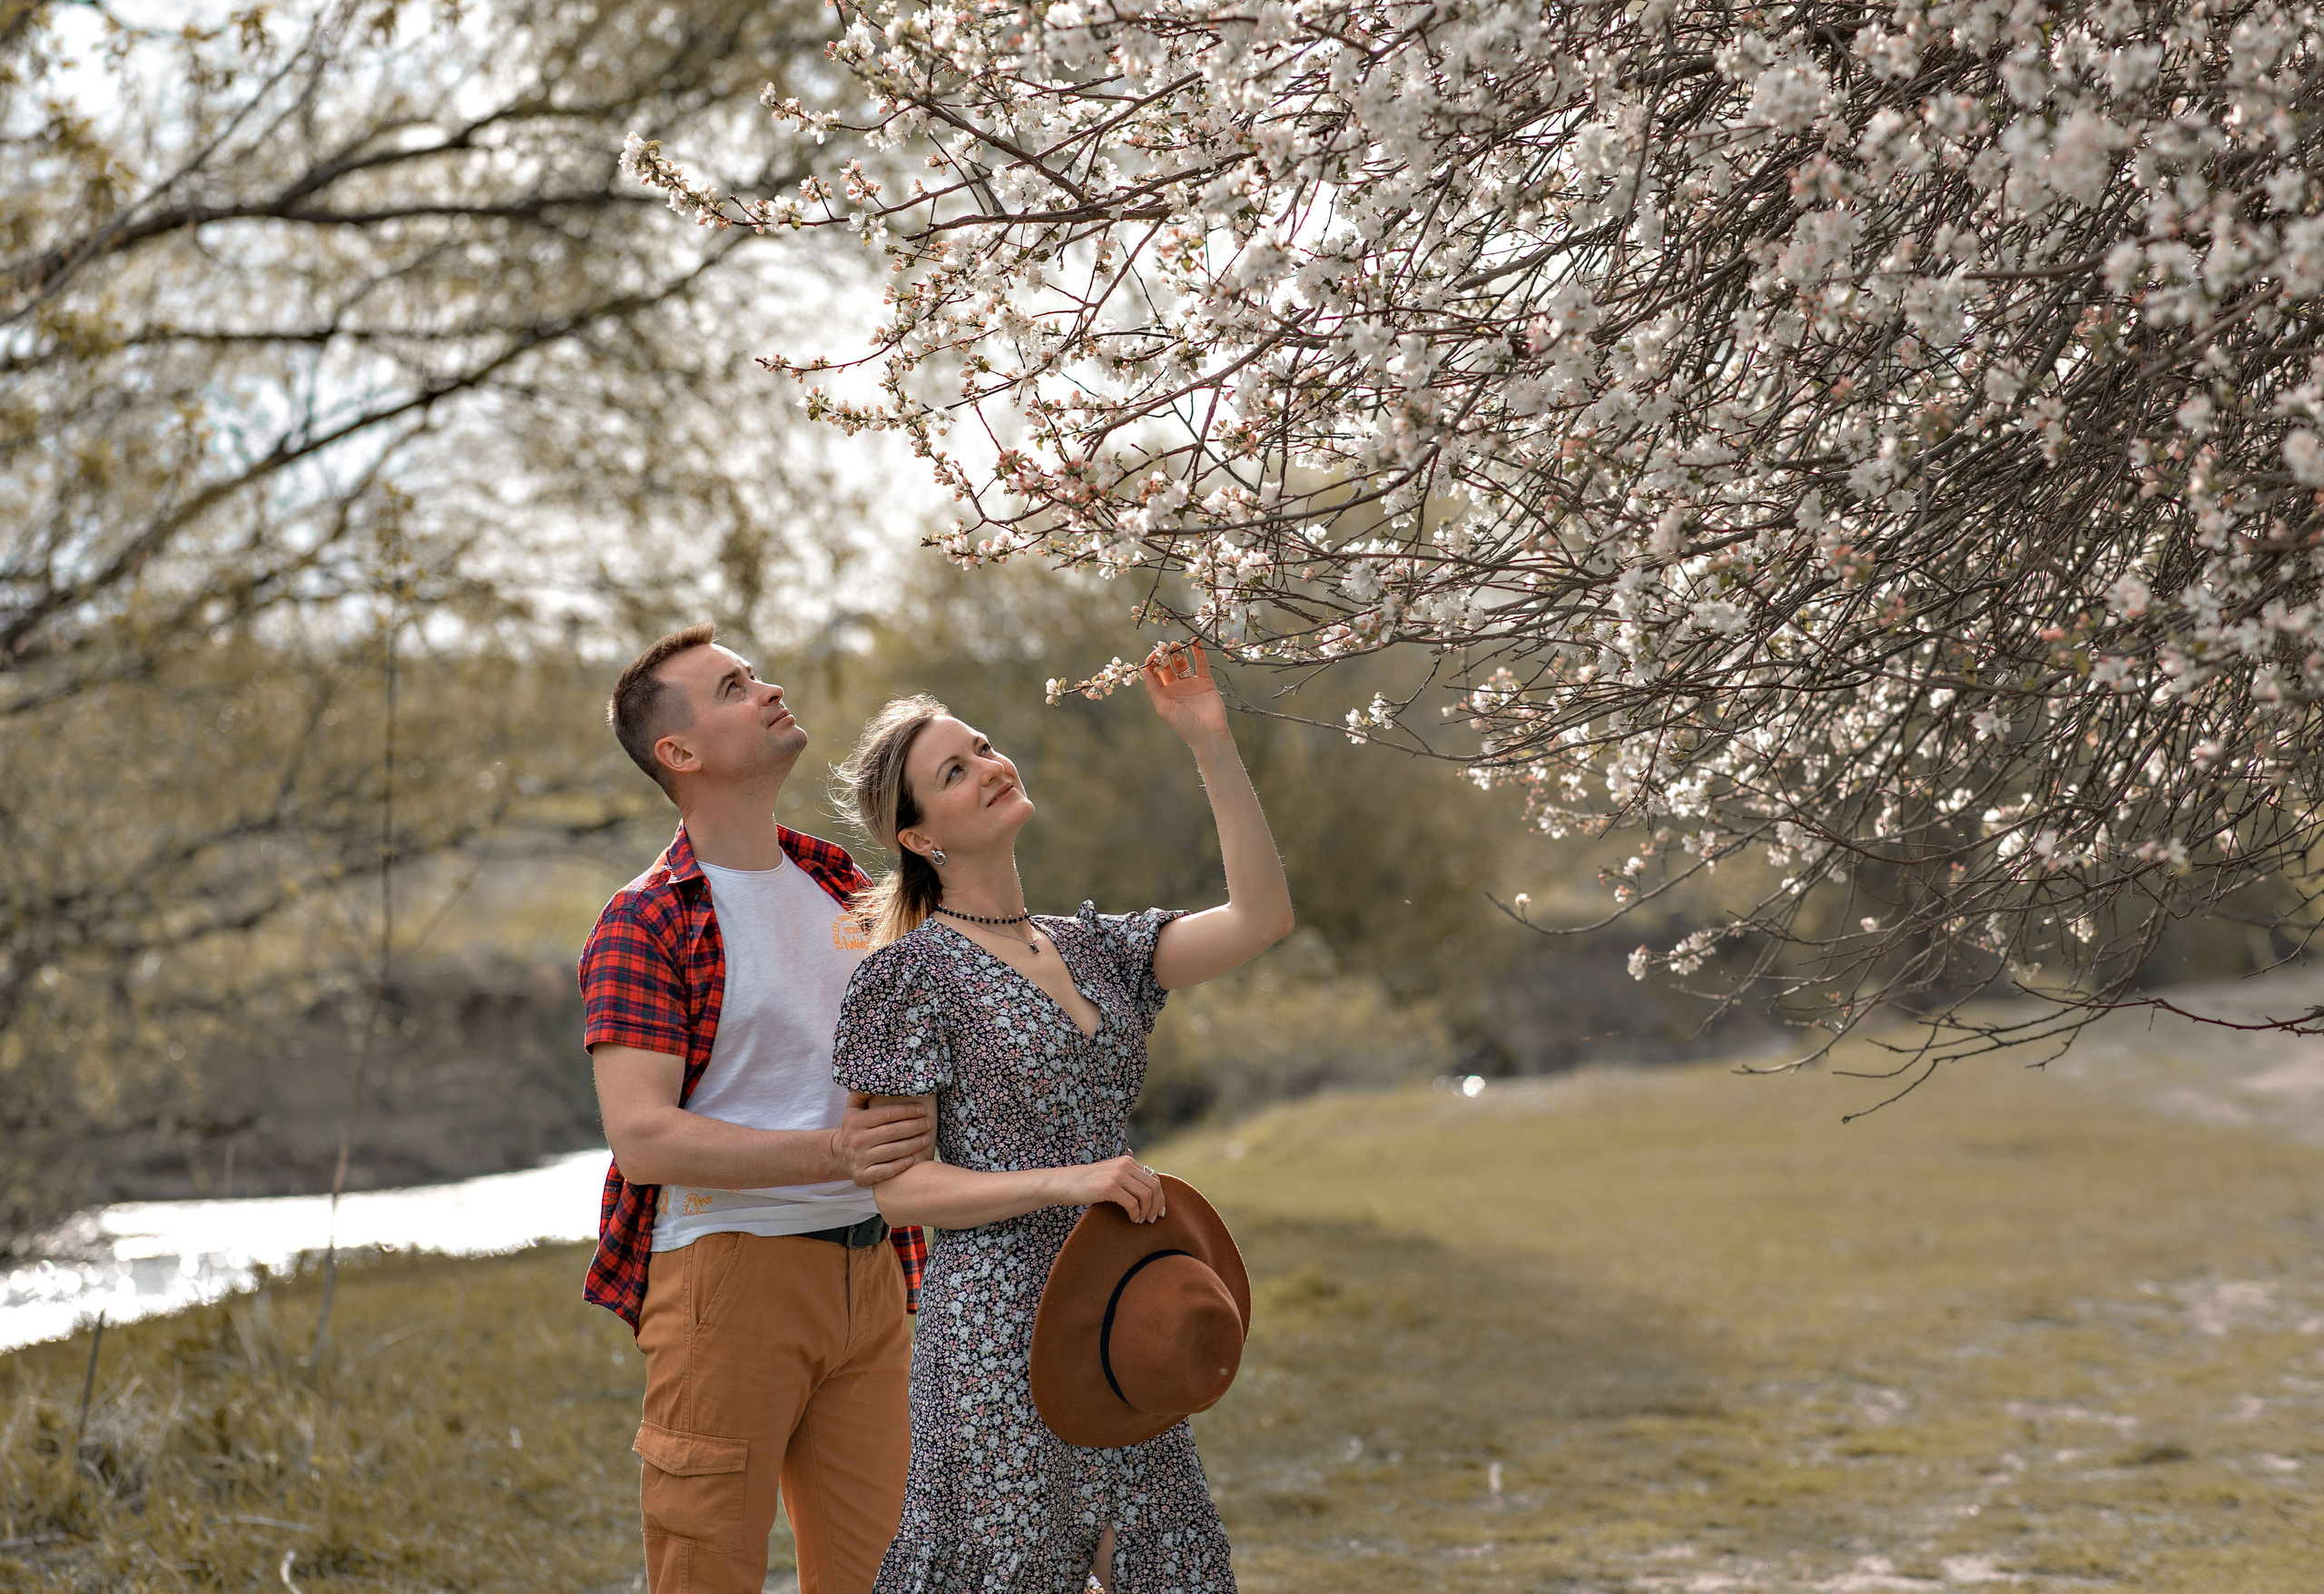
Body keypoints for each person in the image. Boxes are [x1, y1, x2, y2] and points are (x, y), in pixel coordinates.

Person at [829, 642, 1295, 1594]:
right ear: (921, 838)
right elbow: (901, 1189)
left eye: (984, 747)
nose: (990, 767)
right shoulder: (905, 978)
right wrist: (1068, 1179)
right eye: (953, 771)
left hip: (1126, 1315)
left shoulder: (1100, 947)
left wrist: (1209, 741)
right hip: (997, 1333)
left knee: (1168, 1568)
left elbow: (1260, 916)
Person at [579, 623, 936, 1594]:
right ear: (679, 753)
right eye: (734, 686)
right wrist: (839, 1150)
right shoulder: (646, 917)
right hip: (726, 1284)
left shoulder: (842, 883)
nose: (769, 689)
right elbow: (643, 1138)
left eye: (755, 673)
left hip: (871, 1278)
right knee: (709, 1576)